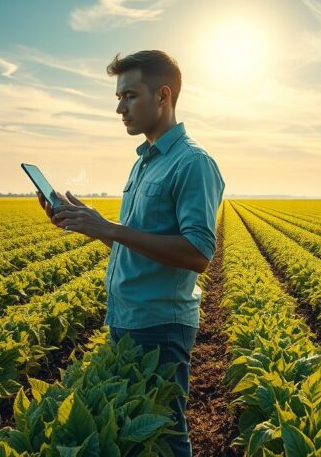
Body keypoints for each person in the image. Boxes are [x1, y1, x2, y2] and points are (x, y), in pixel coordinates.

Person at [37, 50, 225, 456]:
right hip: (127, 316)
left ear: (163, 95)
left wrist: (110, 228)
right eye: (118, 98)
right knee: (139, 433)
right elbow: (137, 241)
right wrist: (90, 223)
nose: (120, 108)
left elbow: (198, 253)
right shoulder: (144, 162)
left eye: (130, 96)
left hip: (160, 324)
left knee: (167, 434)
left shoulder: (192, 163)